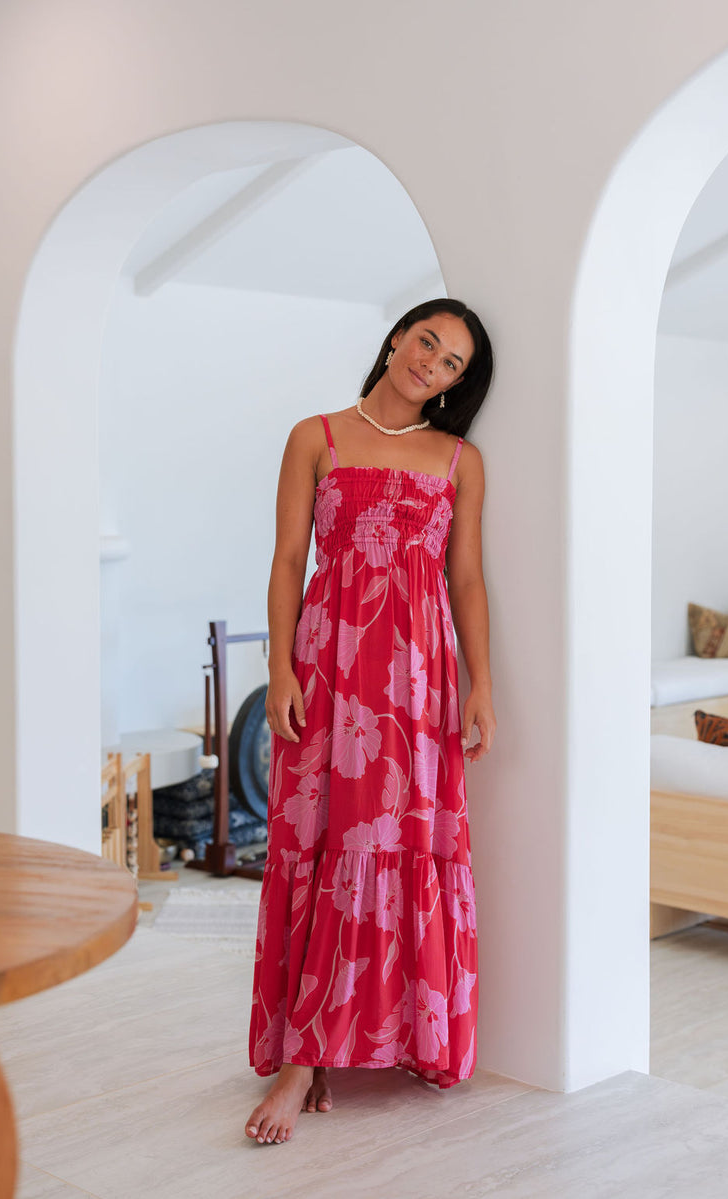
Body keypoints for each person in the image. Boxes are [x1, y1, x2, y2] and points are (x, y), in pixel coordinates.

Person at [245, 298, 496, 1145]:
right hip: (329, 664)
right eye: (427, 340)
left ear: (459, 382)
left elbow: (466, 582)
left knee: (397, 844)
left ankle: (378, 1039)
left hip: (417, 677)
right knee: (321, 840)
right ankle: (302, 1055)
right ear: (396, 339)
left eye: (453, 360)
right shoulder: (314, 435)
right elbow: (286, 560)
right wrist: (279, 665)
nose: (433, 361)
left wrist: (479, 683)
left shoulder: (461, 461)